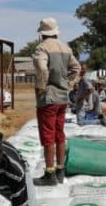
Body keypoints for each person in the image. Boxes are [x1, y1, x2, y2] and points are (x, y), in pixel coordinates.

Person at [32, 17, 80, 185]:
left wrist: (41, 86)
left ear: (42, 34)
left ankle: (49, 174)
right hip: (62, 98)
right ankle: (60, 170)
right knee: (60, 133)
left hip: (49, 98)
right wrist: (69, 84)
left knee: (48, 135)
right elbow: (76, 68)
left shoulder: (42, 48)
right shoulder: (66, 48)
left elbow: (42, 67)